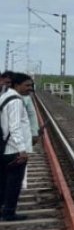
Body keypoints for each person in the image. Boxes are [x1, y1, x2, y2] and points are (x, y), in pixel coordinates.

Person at [0, 72, 33, 221]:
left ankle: (4, 209)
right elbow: (15, 127)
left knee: (4, 181)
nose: (30, 88)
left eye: (31, 85)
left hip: (5, 147)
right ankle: (9, 213)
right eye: (27, 85)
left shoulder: (5, 97)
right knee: (13, 183)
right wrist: (22, 149)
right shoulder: (15, 101)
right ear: (16, 85)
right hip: (13, 149)